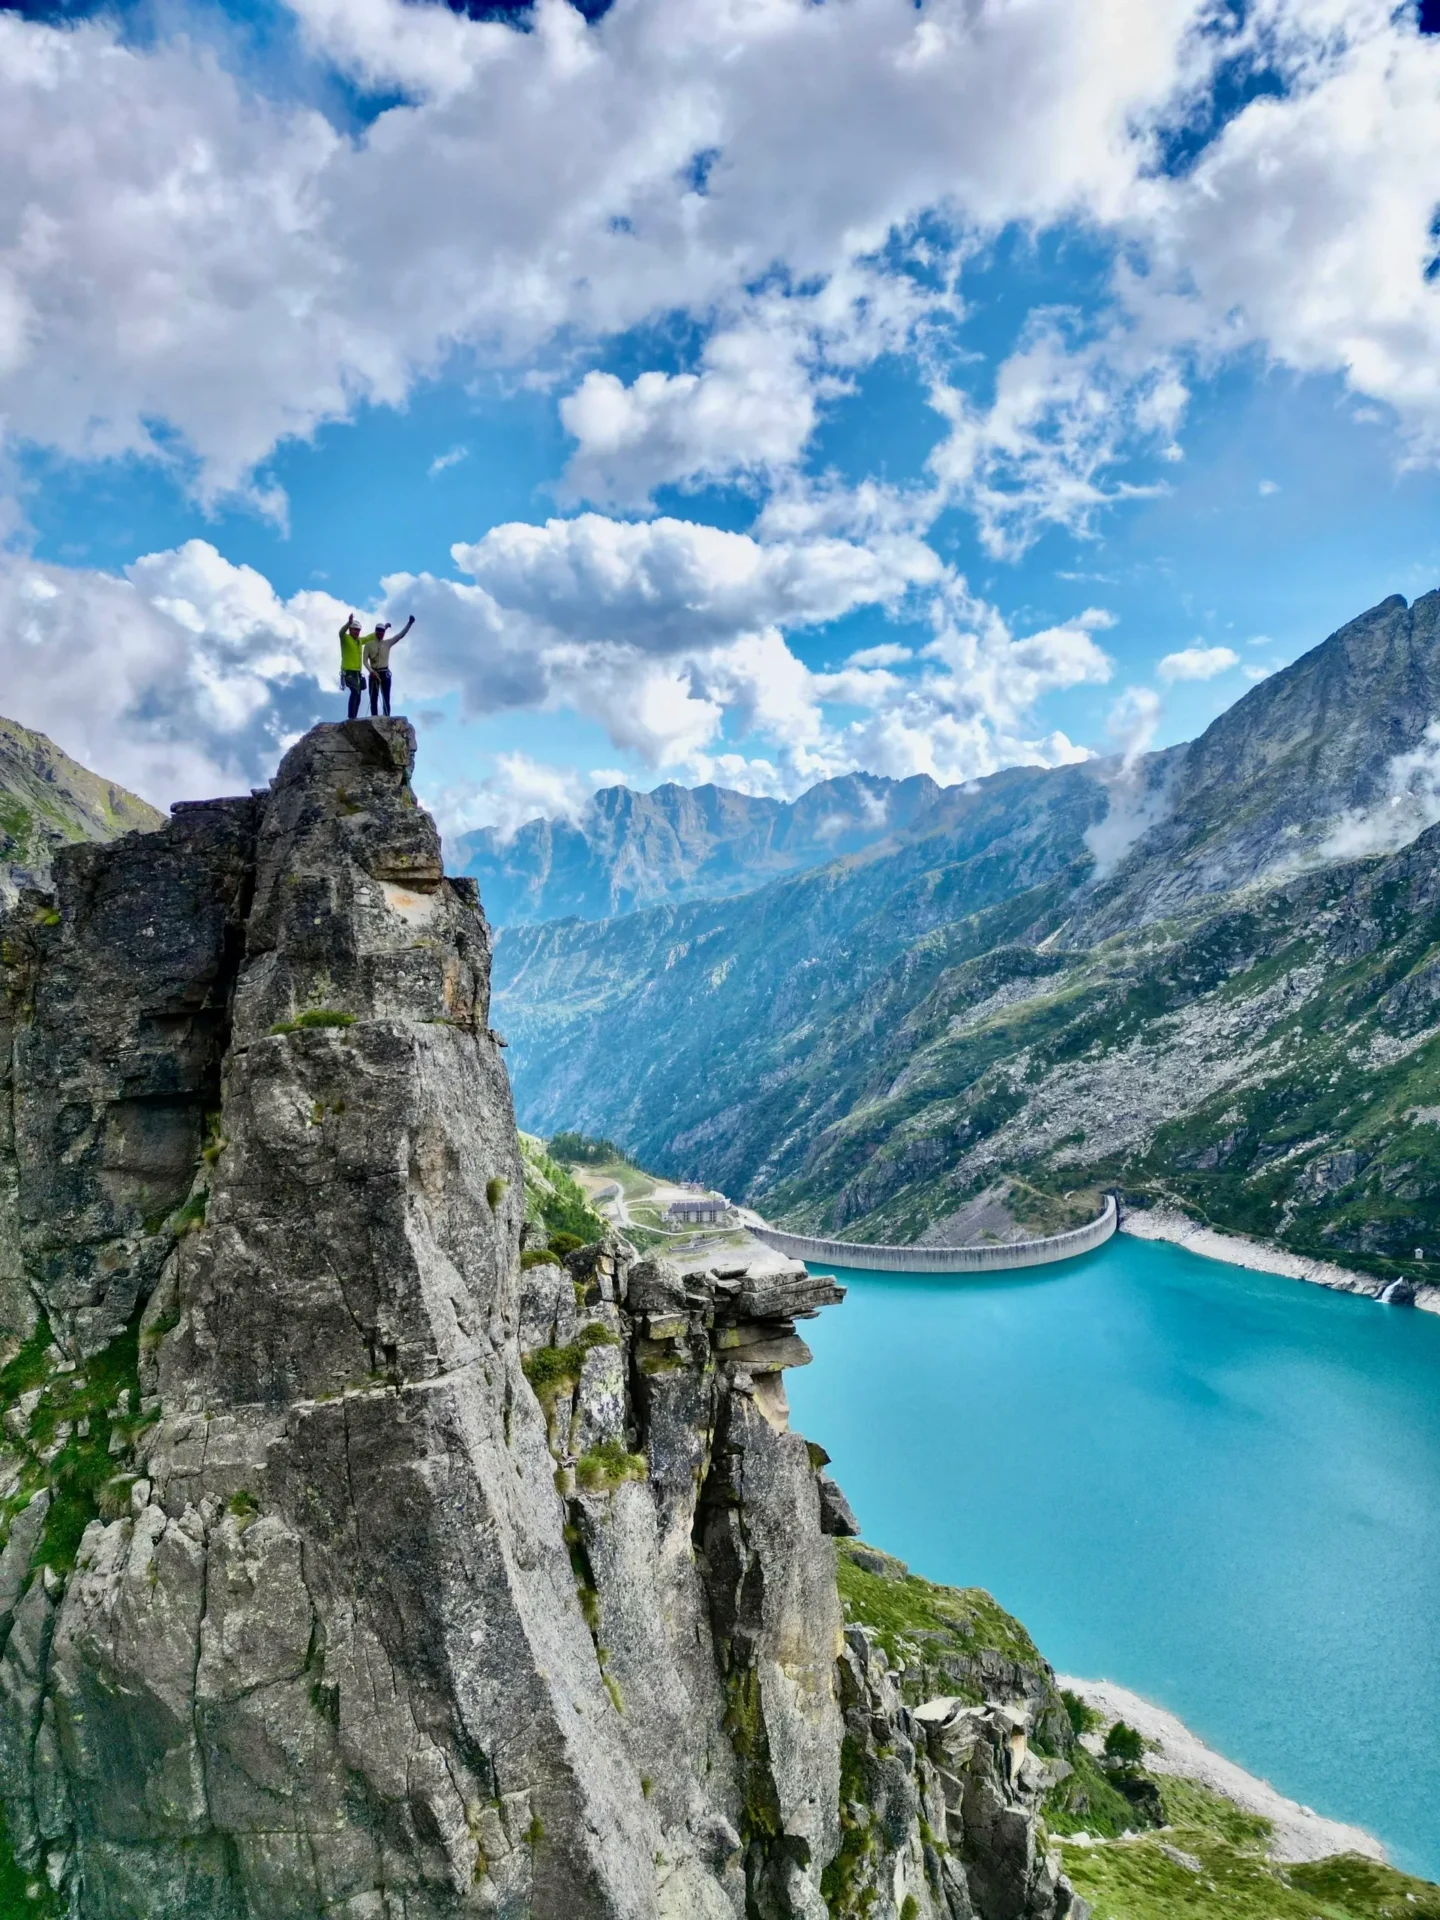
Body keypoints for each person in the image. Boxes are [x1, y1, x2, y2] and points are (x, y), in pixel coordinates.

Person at [363, 614, 415, 716]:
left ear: (384, 632)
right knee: (373, 698)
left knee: (386, 698)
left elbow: (399, 636)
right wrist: (371, 671)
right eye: (379, 631)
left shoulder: (387, 643)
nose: (380, 633)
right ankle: (374, 718)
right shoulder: (368, 645)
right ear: (375, 631)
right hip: (374, 673)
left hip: (384, 673)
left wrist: (409, 623)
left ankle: (386, 719)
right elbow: (364, 661)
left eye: (382, 631)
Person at [338, 615, 365, 719]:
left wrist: (383, 629)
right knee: (355, 691)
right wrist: (348, 622)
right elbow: (341, 632)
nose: (357, 632)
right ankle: (351, 717)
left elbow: (370, 637)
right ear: (350, 630)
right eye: (355, 630)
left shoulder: (359, 641)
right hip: (348, 671)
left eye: (358, 630)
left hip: (357, 673)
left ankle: (354, 717)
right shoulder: (345, 638)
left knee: (358, 694)